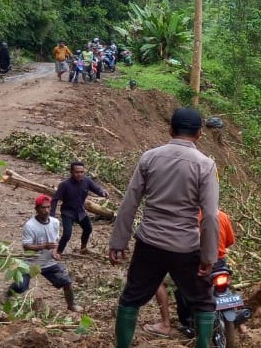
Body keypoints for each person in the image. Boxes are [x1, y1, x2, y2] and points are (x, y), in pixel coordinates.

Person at [109, 107, 220, 348]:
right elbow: (210, 215)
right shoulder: (205, 165)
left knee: (131, 298)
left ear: (170, 129)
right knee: (203, 302)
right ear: (200, 134)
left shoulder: (150, 157)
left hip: (150, 242)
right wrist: (209, 255)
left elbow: (130, 202)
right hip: (185, 247)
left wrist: (118, 242)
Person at [144, 209, 236, 338]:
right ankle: (240, 324)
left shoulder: (185, 216)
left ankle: (165, 324)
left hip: (195, 264)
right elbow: (229, 241)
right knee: (225, 287)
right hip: (219, 263)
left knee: (159, 281)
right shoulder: (222, 215)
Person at [5, 194, 83, 312]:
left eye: (48, 207)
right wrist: (44, 246)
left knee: (66, 282)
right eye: (43, 208)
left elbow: (54, 242)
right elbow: (26, 247)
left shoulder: (55, 222)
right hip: (31, 263)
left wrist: (55, 252)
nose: (46, 211)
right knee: (21, 287)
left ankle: (71, 304)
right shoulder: (30, 225)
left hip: (49, 262)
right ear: (36, 209)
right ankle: (6, 295)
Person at [51, 161, 108, 255]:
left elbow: (96, 188)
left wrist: (102, 192)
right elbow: (55, 199)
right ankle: (58, 252)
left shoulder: (87, 181)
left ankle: (83, 248)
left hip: (80, 211)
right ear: (71, 172)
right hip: (68, 212)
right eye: (77, 172)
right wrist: (52, 215)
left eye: (81, 172)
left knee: (88, 229)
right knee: (67, 234)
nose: (79, 174)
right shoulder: (64, 185)